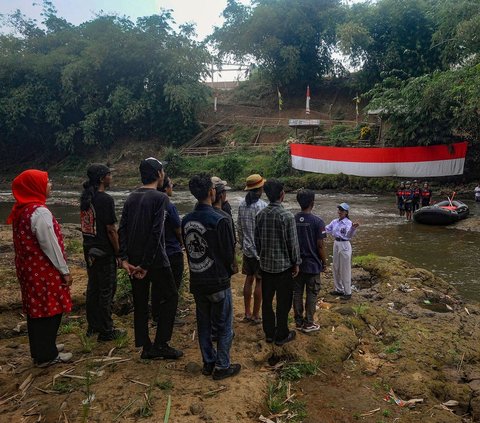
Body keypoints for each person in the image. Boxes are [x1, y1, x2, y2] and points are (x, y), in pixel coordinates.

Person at [118, 158, 182, 360]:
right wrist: (145, 265)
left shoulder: (131, 197)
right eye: (162, 171)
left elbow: (123, 229)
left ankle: (145, 346)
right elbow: (156, 233)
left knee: (140, 302)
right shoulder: (160, 198)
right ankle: (161, 343)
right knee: (171, 296)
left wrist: (124, 259)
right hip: (154, 261)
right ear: (158, 174)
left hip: (133, 262)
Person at [7, 170, 73, 367]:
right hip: (44, 269)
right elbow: (50, 245)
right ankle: (47, 354)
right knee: (51, 309)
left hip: (29, 269)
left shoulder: (22, 210)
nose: (50, 184)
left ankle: (42, 348)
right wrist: (65, 270)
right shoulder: (40, 212)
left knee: (36, 309)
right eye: (47, 182)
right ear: (35, 187)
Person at [182, 174, 240, 380]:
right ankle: (223, 366)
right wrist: (231, 268)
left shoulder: (187, 220)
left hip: (198, 280)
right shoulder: (220, 219)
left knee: (204, 324)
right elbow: (227, 254)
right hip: (217, 280)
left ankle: (208, 362)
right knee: (224, 324)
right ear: (211, 192)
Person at [80, 164, 125, 341]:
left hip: (89, 248)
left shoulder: (86, 198)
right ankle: (106, 330)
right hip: (104, 251)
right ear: (101, 179)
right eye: (109, 175)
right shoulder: (105, 199)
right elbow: (110, 230)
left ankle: (93, 326)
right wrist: (119, 252)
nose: (111, 178)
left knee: (93, 288)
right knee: (107, 289)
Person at [255, 178, 301, 346]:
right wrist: (296, 263)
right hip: (283, 269)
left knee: (267, 302)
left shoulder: (260, 215)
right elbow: (293, 244)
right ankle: (281, 334)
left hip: (266, 267)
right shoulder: (287, 216)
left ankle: (269, 333)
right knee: (283, 302)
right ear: (282, 195)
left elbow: (257, 242)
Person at [294, 189, 327, 333]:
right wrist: (324, 262)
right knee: (312, 293)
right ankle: (308, 323)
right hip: (313, 265)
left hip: (296, 264)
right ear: (312, 203)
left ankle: (298, 321)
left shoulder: (292, 219)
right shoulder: (318, 222)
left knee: (297, 293)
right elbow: (320, 245)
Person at [237, 174, 267, 324]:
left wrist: (243, 244)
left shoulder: (242, 204)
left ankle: (247, 313)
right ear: (260, 189)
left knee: (248, 279)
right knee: (259, 281)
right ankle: (256, 315)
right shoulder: (262, 206)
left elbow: (239, 228)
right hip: (260, 252)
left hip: (247, 249)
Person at [155, 176, 184, 325]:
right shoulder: (169, 206)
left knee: (158, 286)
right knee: (173, 287)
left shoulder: (154, 203)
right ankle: (169, 316)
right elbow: (178, 229)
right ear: (166, 188)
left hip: (157, 251)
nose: (172, 187)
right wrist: (182, 243)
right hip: (172, 251)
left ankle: (156, 315)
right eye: (171, 185)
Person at [326, 203, 359, 300]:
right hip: (336, 243)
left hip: (344, 244)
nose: (339, 212)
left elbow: (349, 235)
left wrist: (353, 228)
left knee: (345, 268)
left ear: (346, 212)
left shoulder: (349, 223)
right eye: (339, 210)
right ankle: (339, 289)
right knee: (335, 267)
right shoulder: (335, 221)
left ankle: (347, 292)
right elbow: (327, 229)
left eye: (342, 210)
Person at [211, 176, 238, 274]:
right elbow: (230, 240)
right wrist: (234, 261)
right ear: (221, 195)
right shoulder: (225, 211)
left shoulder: (200, 209)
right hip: (223, 262)